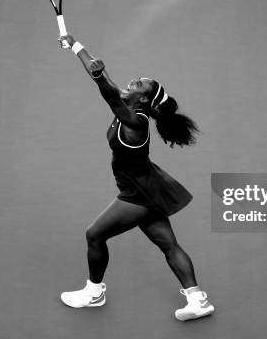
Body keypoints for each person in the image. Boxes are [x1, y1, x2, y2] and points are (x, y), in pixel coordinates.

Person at [57, 34, 214, 321]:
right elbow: (103, 78)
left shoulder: (135, 122)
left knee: (94, 234)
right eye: (137, 79)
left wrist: (99, 77)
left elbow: (105, 90)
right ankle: (197, 299)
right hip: (151, 187)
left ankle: (94, 292)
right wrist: (76, 46)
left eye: (139, 84)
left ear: (143, 98)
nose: (133, 81)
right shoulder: (129, 103)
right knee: (168, 245)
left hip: (137, 194)